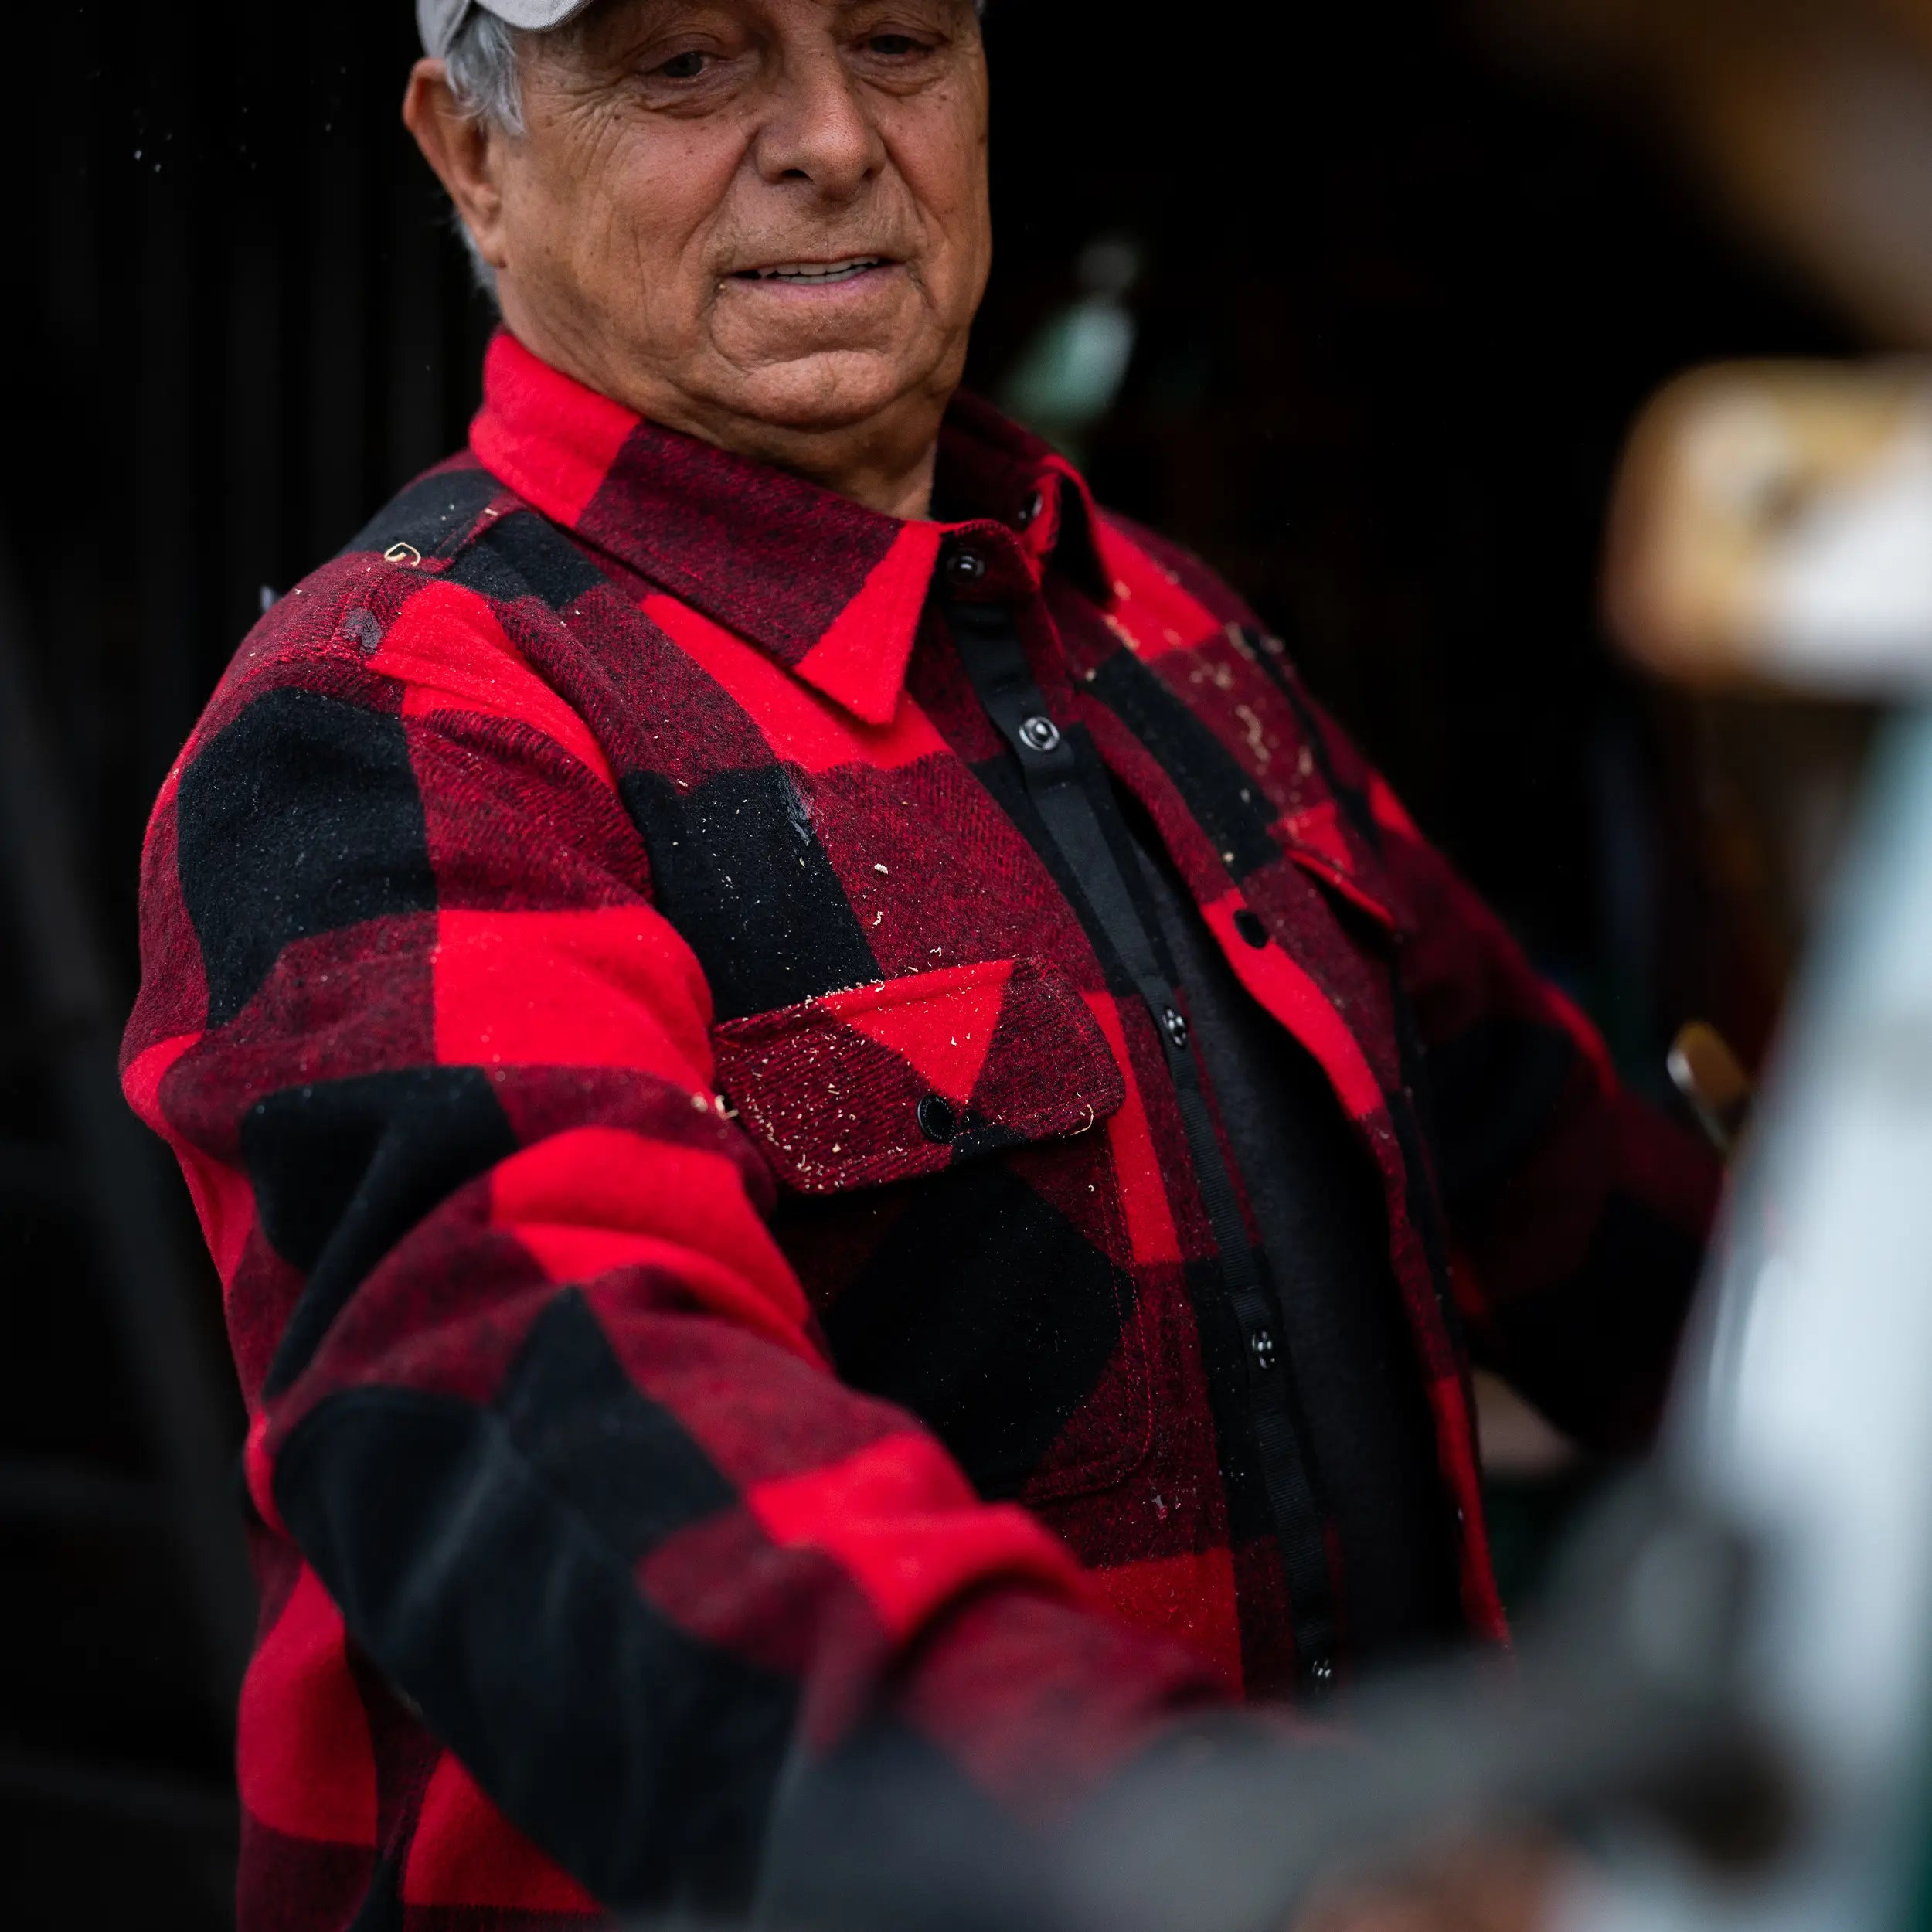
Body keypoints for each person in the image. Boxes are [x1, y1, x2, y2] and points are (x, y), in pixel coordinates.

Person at [120, 2, 1719, 1927]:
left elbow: (1596, 1206)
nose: (827, 139)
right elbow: (558, 1412)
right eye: (689, 66)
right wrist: (1171, 1841)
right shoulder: (404, 719)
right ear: (470, 155)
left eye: (894, 40)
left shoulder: (1163, 627)